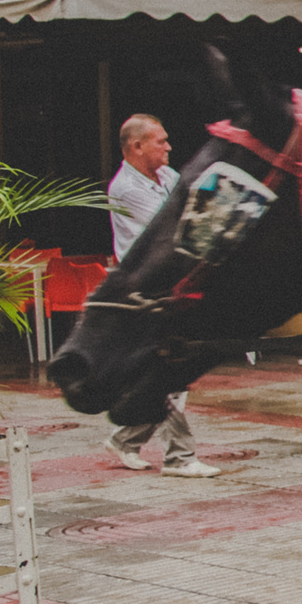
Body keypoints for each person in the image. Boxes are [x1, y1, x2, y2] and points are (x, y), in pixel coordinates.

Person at [106, 114, 218, 477]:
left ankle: (125, 439)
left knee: (172, 372)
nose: (168, 147)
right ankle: (179, 456)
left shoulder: (167, 176)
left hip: (172, 284)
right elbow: (173, 228)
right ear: (137, 146)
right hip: (144, 290)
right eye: (160, 141)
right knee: (168, 372)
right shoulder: (125, 188)